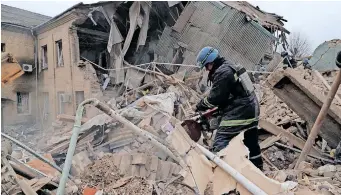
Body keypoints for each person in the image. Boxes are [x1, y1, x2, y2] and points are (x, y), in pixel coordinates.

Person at [195, 46, 263, 169]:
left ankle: (223, 173)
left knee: (221, 139)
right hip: (251, 107)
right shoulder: (228, 65)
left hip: (241, 110)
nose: (206, 69)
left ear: (211, 63)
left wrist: (200, 105)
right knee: (251, 142)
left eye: (206, 66)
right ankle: (257, 170)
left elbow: (215, 99)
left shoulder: (223, 72)